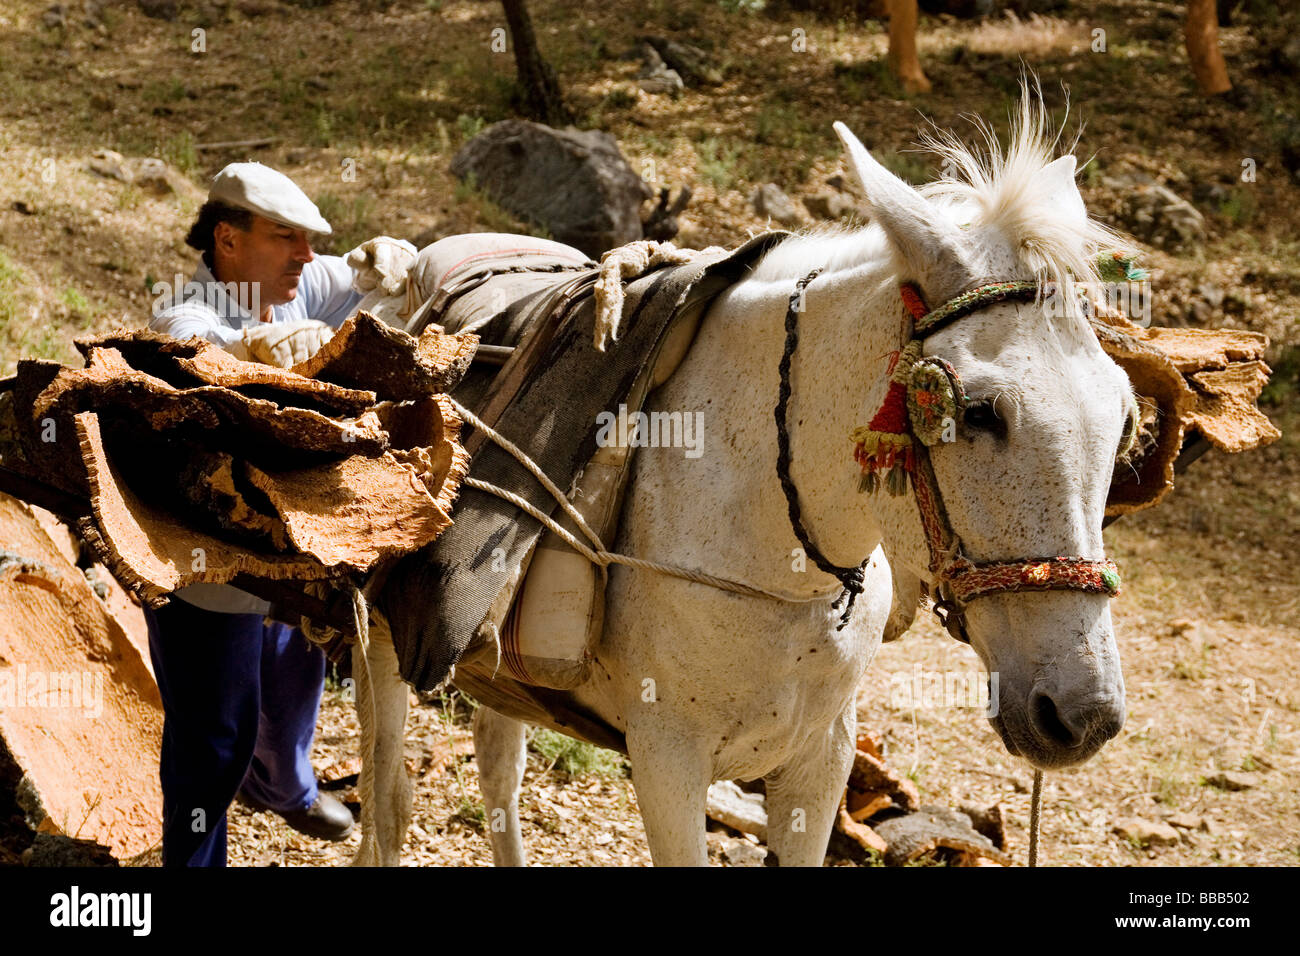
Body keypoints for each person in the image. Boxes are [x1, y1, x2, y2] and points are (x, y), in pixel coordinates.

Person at [146, 162, 414, 866]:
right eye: (285, 237)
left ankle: (286, 790)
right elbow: (191, 340)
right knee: (214, 738)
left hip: (295, 548)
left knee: (293, 700)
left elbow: (375, 284)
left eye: (309, 240)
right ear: (228, 241)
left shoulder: (302, 282)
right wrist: (248, 351)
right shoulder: (189, 303)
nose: (306, 255)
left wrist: (397, 258)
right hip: (211, 566)